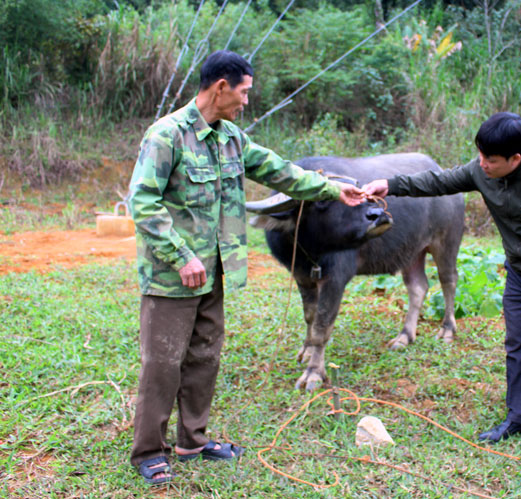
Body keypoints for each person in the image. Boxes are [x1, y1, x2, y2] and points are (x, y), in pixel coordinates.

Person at [127, 50, 364, 485]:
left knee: (204, 355)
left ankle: (192, 441)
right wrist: (183, 256)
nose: (247, 100)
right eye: (245, 91)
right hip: (172, 276)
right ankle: (148, 449)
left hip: (214, 271)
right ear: (221, 87)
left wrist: (333, 188)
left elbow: (281, 172)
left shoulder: (231, 137)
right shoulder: (167, 136)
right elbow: (142, 203)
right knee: (163, 361)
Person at [364, 112, 521, 449]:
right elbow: (438, 182)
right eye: (480, 155)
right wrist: (390, 185)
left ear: (516, 158)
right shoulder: (482, 171)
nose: (481, 164)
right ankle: (519, 418)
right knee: (517, 346)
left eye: (490, 159)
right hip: (520, 276)